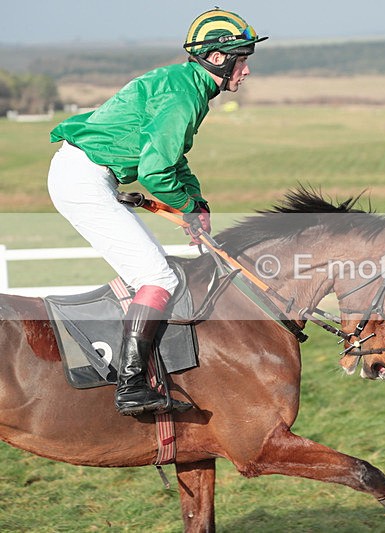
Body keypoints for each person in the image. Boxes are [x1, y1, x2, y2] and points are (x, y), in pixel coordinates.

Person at [47, 9, 268, 416]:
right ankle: (130, 385)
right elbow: (154, 171)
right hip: (83, 180)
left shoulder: (186, 84)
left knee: (154, 270)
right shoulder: (185, 96)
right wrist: (187, 206)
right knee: (157, 276)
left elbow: (173, 158)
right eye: (242, 59)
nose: (247, 69)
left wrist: (196, 204)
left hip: (85, 174)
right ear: (217, 58)